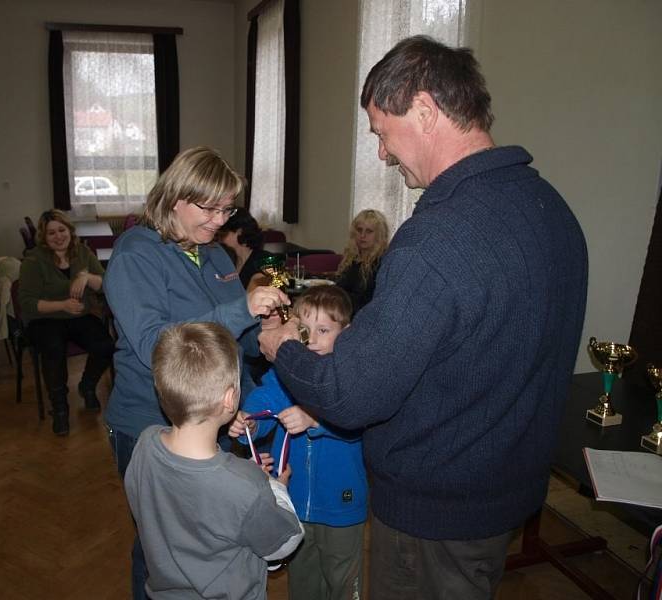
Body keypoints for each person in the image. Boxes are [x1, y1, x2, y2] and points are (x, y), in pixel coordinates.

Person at [258, 35, 588, 600]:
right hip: (503, 491)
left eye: (382, 133)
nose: (382, 154)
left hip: (434, 515)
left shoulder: (437, 237)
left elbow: (351, 396)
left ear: (426, 110)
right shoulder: (551, 208)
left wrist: (283, 345)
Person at [103, 146, 288, 599]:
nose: (220, 220)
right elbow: (157, 348)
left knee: (209, 538)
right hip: (149, 420)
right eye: (209, 207)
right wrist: (240, 307)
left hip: (212, 416)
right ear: (174, 197)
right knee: (160, 548)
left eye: (228, 209)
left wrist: (266, 331)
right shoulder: (136, 254)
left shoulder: (216, 256)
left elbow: (231, 341)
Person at [125, 321, 304, 599]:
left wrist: (246, 486)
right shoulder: (246, 486)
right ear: (230, 399)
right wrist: (275, 488)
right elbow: (285, 543)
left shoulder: (145, 444)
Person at [230, 285, 367, 600]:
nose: (314, 340)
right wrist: (249, 419)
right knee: (303, 583)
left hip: (342, 507)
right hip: (293, 503)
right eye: (305, 331)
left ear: (346, 333)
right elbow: (265, 401)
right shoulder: (287, 373)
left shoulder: (353, 379)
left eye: (324, 330)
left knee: (343, 585)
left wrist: (315, 421)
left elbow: (358, 426)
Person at [18, 209, 114, 436]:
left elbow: (105, 284)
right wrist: (62, 305)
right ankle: (60, 409)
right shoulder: (33, 260)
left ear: (70, 231)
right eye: (51, 233)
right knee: (53, 349)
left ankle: (87, 385)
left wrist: (87, 277)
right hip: (45, 319)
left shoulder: (82, 252)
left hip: (80, 316)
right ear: (43, 236)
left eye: (62, 230)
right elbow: (27, 303)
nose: (58, 236)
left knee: (105, 345)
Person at [335, 209, 389, 315]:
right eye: (359, 230)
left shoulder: (383, 263)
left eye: (369, 231)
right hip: (343, 313)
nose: (362, 236)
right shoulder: (352, 258)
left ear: (379, 235)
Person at [218, 206, 273, 289]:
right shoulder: (228, 259)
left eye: (223, 234)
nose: (219, 239)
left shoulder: (265, 261)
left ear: (239, 232)